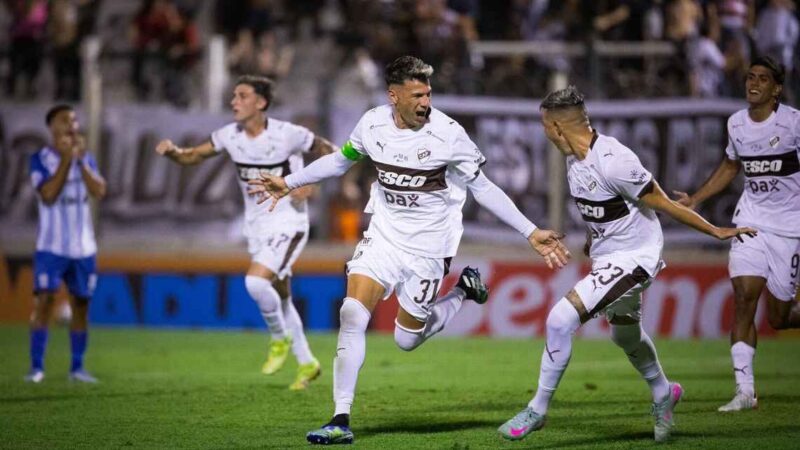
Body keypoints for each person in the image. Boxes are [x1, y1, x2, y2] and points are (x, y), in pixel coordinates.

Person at [248, 55, 571, 445]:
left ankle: (463, 291)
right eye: (417, 94)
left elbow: (483, 188)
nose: (425, 102)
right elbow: (340, 162)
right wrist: (288, 181)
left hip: (430, 247)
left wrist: (530, 231)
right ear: (393, 95)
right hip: (384, 236)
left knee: (406, 339)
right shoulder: (372, 124)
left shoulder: (448, 135)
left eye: (428, 93)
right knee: (352, 313)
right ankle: (340, 419)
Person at [498, 86, 756, 443]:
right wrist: (593, 241)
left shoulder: (615, 159)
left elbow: (664, 202)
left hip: (637, 259)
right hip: (608, 257)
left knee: (560, 319)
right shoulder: (574, 161)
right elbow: (604, 211)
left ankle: (538, 409)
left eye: (545, 126)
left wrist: (715, 231)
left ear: (557, 128)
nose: (544, 134)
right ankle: (663, 391)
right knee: (625, 334)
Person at [155, 75, 334, 390]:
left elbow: (331, 151)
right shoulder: (230, 136)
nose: (233, 101)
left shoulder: (288, 135)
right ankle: (307, 363)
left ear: (261, 102)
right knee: (281, 295)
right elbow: (193, 155)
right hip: (257, 226)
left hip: (289, 223)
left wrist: (309, 182)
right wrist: (172, 152)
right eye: (233, 96)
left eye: (241, 96)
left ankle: (278, 339)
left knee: (254, 282)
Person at [673, 56, 800, 412]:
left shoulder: (793, 123)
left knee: (779, 317)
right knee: (744, 296)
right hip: (750, 220)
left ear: (777, 89)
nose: (753, 84)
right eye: (749, 77)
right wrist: (695, 199)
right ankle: (745, 392)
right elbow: (731, 164)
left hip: (789, 227)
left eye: (762, 79)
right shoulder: (736, 124)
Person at [26, 104, 107, 383]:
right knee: (45, 302)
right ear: (52, 127)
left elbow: (99, 190)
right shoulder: (39, 159)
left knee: (81, 305)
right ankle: (36, 368)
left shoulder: (86, 157)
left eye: (73, 120)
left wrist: (80, 161)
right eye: (64, 120)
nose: (71, 125)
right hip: (51, 247)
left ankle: (77, 368)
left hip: (84, 248)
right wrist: (64, 160)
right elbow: (47, 194)